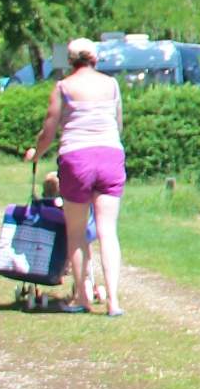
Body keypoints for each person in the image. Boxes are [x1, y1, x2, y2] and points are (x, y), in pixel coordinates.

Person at [25, 38, 126, 316]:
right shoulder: (111, 84)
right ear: (95, 58)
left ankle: (83, 297)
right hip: (110, 155)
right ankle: (113, 301)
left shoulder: (63, 87)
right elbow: (118, 125)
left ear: (70, 61)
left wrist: (36, 154)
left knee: (76, 231)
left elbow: (48, 130)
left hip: (76, 158)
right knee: (108, 231)